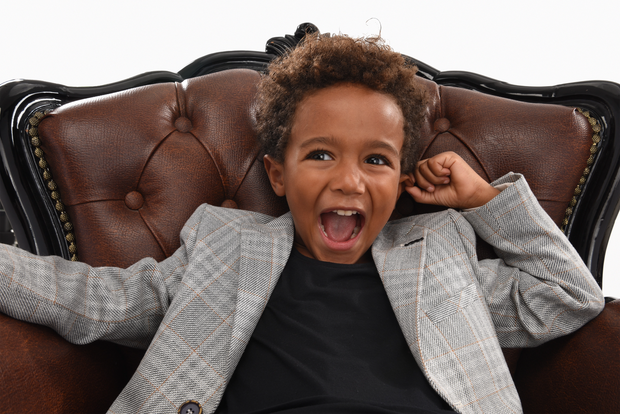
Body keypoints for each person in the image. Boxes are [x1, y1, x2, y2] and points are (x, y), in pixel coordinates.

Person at [0, 33, 604, 414]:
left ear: (399, 180)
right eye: (320, 154)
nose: (349, 181)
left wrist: (480, 200)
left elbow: (569, 298)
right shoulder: (223, 242)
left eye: (376, 160)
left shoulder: (440, 251)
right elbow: (96, 299)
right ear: (278, 173)